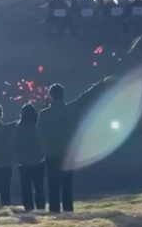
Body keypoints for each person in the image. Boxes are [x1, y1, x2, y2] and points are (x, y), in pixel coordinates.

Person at [36, 79, 111, 213]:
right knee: (67, 185)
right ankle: (68, 210)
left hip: (51, 153)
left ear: (50, 95)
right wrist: (100, 85)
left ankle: (54, 211)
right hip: (67, 153)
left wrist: (46, 144)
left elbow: (39, 133)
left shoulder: (44, 114)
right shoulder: (70, 110)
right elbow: (85, 97)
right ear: (63, 94)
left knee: (53, 184)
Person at [14, 104, 46, 212]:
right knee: (39, 186)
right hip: (38, 160)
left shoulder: (18, 127)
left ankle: (28, 208)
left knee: (26, 188)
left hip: (23, 162)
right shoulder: (36, 126)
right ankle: (40, 207)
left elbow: (15, 144)